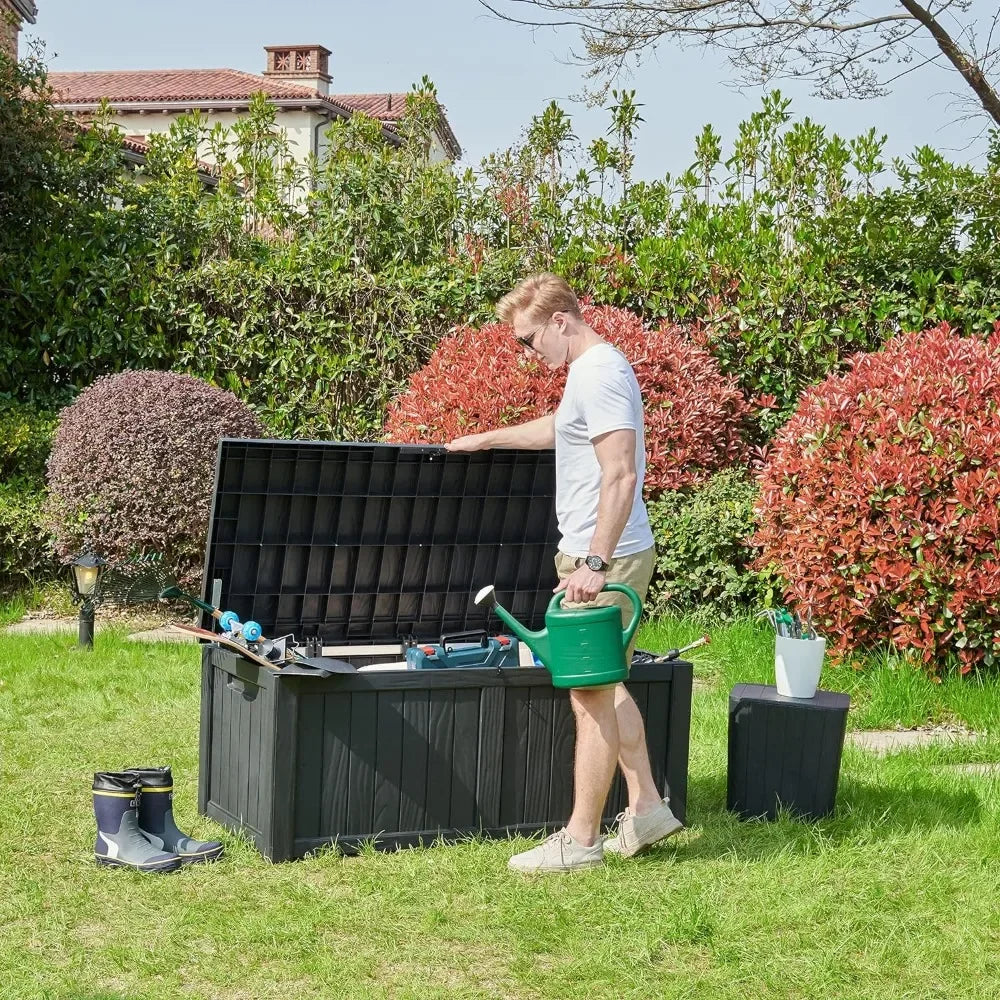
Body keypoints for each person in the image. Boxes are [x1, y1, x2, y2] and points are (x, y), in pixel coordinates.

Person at [446, 273, 682, 872]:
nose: (528, 353)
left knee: (588, 693)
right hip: (592, 553)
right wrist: (485, 439)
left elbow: (622, 473)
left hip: (607, 557)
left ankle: (580, 842)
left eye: (529, 340)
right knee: (604, 682)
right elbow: (560, 431)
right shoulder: (587, 373)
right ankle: (648, 807)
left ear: (560, 321)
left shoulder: (600, 373)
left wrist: (596, 564)